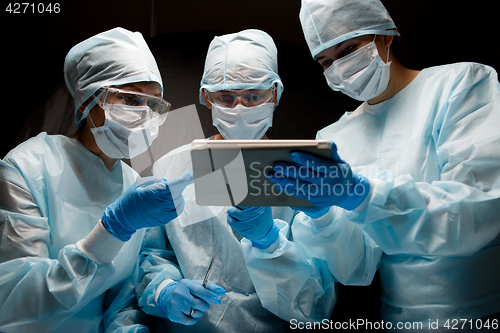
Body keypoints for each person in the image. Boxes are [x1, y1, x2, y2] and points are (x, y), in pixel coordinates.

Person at [239, 0, 500, 330]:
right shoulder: (334, 138)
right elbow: (358, 268)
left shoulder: (460, 85)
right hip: (399, 318)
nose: (339, 68)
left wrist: (362, 194)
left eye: (348, 49)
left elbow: (480, 208)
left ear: (385, 34)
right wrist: (323, 216)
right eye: (325, 62)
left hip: (485, 311)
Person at [134, 29, 342, 332]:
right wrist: (164, 289)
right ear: (205, 97)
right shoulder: (170, 167)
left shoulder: (302, 173)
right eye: (226, 97)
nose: (239, 109)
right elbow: (150, 254)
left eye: (253, 96)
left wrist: (270, 242)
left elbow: (317, 304)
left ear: (276, 94)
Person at [0, 27, 192, 332]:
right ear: (88, 102)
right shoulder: (28, 166)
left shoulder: (134, 185)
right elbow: (17, 305)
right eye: (130, 99)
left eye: (155, 105)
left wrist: (127, 328)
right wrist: (113, 230)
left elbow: (122, 297)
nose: (145, 115)